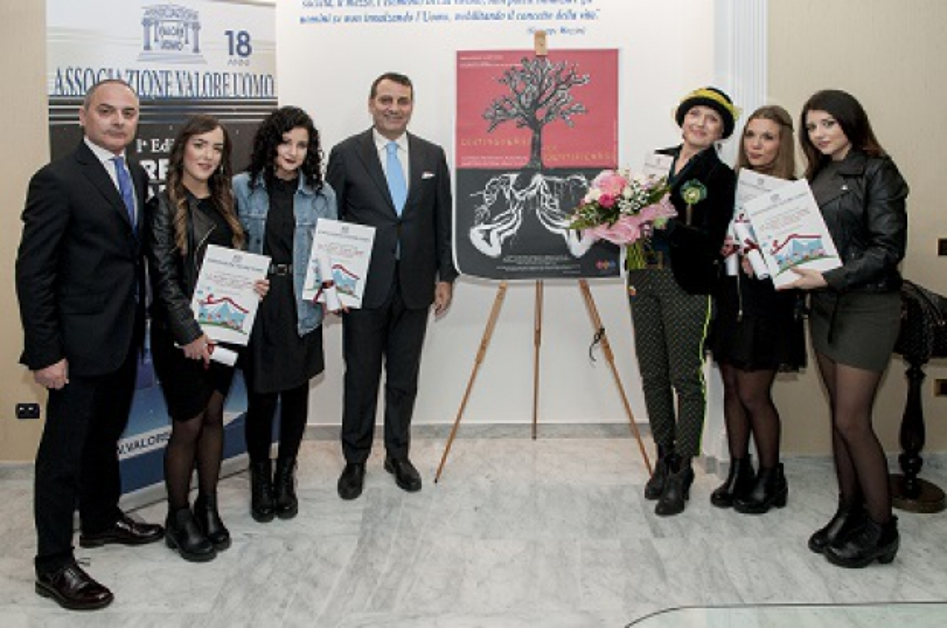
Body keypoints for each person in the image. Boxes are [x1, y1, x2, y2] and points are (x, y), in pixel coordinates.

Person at [15, 79, 164, 611]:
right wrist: (45, 351)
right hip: (75, 347)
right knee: (62, 456)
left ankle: (101, 520)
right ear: (82, 116)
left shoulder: (135, 174)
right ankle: (52, 564)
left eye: (129, 113)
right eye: (107, 111)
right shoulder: (56, 179)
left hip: (123, 338)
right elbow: (33, 271)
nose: (119, 121)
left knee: (105, 435)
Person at [786, 90, 907, 568]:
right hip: (825, 306)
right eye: (812, 127)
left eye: (828, 124)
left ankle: (883, 528)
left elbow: (887, 248)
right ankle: (850, 510)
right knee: (839, 415)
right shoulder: (817, 174)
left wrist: (828, 276)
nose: (819, 134)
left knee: (853, 421)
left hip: (868, 306)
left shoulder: (879, 170)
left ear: (851, 124)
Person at [327, 72, 457, 500]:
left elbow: (443, 220)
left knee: (404, 378)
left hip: (416, 286)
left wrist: (446, 276)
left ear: (411, 106)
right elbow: (331, 223)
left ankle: (398, 455)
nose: (394, 108)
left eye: (402, 101)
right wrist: (332, 286)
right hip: (362, 289)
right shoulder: (346, 154)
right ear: (370, 103)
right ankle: (355, 459)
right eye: (386, 99)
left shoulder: (432, 156)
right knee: (361, 376)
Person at [147, 115, 265, 560]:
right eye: (200, 145)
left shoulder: (225, 203)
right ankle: (178, 517)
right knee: (188, 424)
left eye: (216, 149)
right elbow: (164, 279)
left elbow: (233, 266)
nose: (208, 156)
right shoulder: (163, 207)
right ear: (183, 149)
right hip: (183, 338)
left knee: (215, 415)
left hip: (225, 332)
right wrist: (189, 334)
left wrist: (252, 285)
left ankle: (207, 505)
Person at [631, 87, 737, 516]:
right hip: (643, 274)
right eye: (695, 114)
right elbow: (631, 212)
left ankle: (682, 467)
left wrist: (666, 223)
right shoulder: (656, 160)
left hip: (686, 283)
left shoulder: (720, 176)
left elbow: (712, 241)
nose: (700, 123)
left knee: (685, 378)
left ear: (719, 132)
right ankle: (661, 454)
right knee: (652, 373)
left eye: (711, 120)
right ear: (682, 119)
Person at [234, 106, 338, 522]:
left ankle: (284, 475)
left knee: (295, 394)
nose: (293, 151)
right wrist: (243, 279)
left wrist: (338, 291)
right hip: (260, 302)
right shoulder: (242, 187)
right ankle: (260, 476)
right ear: (270, 142)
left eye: (301, 144)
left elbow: (330, 254)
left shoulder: (322, 193)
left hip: (302, 301)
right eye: (285, 141)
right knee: (260, 396)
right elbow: (230, 246)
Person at [709, 105, 806, 514]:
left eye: (767, 136)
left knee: (754, 394)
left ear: (782, 142)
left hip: (769, 305)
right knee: (731, 388)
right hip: (730, 299)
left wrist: (763, 255)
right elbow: (712, 236)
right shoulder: (730, 183)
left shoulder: (795, 192)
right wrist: (721, 246)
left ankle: (771, 476)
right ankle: (739, 470)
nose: (757, 144)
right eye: (751, 135)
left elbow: (804, 257)